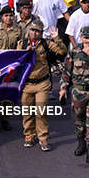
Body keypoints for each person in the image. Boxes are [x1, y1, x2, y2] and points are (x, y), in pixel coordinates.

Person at [60, 26, 89, 163]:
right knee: (80, 121)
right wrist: (63, 88)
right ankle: (81, 144)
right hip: (78, 92)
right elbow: (66, 71)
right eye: (86, 38)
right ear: (81, 38)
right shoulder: (75, 52)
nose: (88, 41)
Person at [18, 21, 66, 150]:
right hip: (27, 84)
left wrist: (56, 37)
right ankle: (29, 135)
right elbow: (16, 61)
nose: (34, 33)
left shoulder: (46, 43)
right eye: (32, 30)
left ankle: (43, 138)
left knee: (41, 111)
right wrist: (25, 53)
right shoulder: (22, 44)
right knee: (27, 112)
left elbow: (62, 51)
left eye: (37, 31)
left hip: (42, 83)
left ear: (41, 32)